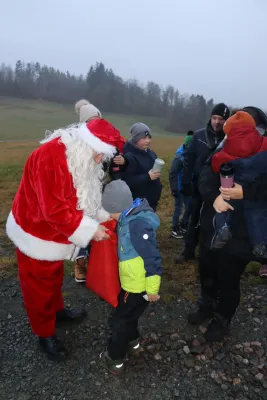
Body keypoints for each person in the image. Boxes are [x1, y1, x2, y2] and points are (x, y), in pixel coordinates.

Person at [6, 123, 118, 361]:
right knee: (37, 286)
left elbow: (82, 195)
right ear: (85, 144)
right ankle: (44, 333)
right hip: (34, 231)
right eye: (98, 152)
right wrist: (91, 230)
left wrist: (102, 216)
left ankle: (56, 313)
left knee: (53, 276)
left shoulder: (77, 156)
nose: (99, 159)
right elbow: (56, 210)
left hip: (54, 233)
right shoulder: (50, 158)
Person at [187, 106, 267, 342]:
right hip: (211, 227)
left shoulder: (264, 153)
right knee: (207, 271)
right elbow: (204, 178)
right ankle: (207, 305)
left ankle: (222, 318)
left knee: (229, 278)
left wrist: (247, 192)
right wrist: (215, 197)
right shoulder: (221, 149)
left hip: (242, 234)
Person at [99, 180, 162, 375]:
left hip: (137, 286)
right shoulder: (129, 216)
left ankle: (114, 358)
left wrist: (152, 289)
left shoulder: (136, 226)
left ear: (117, 207)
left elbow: (152, 258)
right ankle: (133, 342)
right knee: (130, 315)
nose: (109, 215)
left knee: (119, 321)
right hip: (134, 283)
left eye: (109, 211)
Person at [73, 99, 126, 283]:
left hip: (101, 190)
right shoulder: (77, 144)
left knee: (101, 224)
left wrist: (119, 162)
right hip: (81, 193)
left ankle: (99, 261)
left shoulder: (104, 140)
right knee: (82, 225)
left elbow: (112, 165)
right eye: (93, 120)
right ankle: (79, 263)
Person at [175, 103, 230, 264]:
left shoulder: (228, 139)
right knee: (194, 218)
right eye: (214, 118)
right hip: (198, 187)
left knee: (215, 220)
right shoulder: (198, 136)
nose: (217, 122)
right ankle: (188, 250)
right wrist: (185, 182)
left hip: (219, 188)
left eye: (221, 119)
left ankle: (211, 252)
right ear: (210, 118)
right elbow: (188, 161)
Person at [211, 111, 267, 253]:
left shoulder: (227, 146)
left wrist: (216, 165)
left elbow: (217, 161)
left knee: (223, 208)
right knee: (256, 215)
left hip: (232, 186)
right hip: (256, 188)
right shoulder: (263, 143)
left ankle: (222, 229)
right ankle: (260, 244)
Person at [120, 122, 163, 212]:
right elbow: (128, 182)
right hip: (137, 205)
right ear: (136, 139)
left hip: (151, 203)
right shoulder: (129, 157)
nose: (148, 141)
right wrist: (148, 177)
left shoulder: (151, 154)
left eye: (149, 137)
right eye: (144, 138)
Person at [169, 131, 194, 239]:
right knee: (178, 209)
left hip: (188, 187)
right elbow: (173, 174)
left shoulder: (193, 156)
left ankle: (184, 225)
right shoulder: (179, 157)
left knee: (189, 208)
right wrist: (174, 189)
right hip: (179, 188)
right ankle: (174, 228)